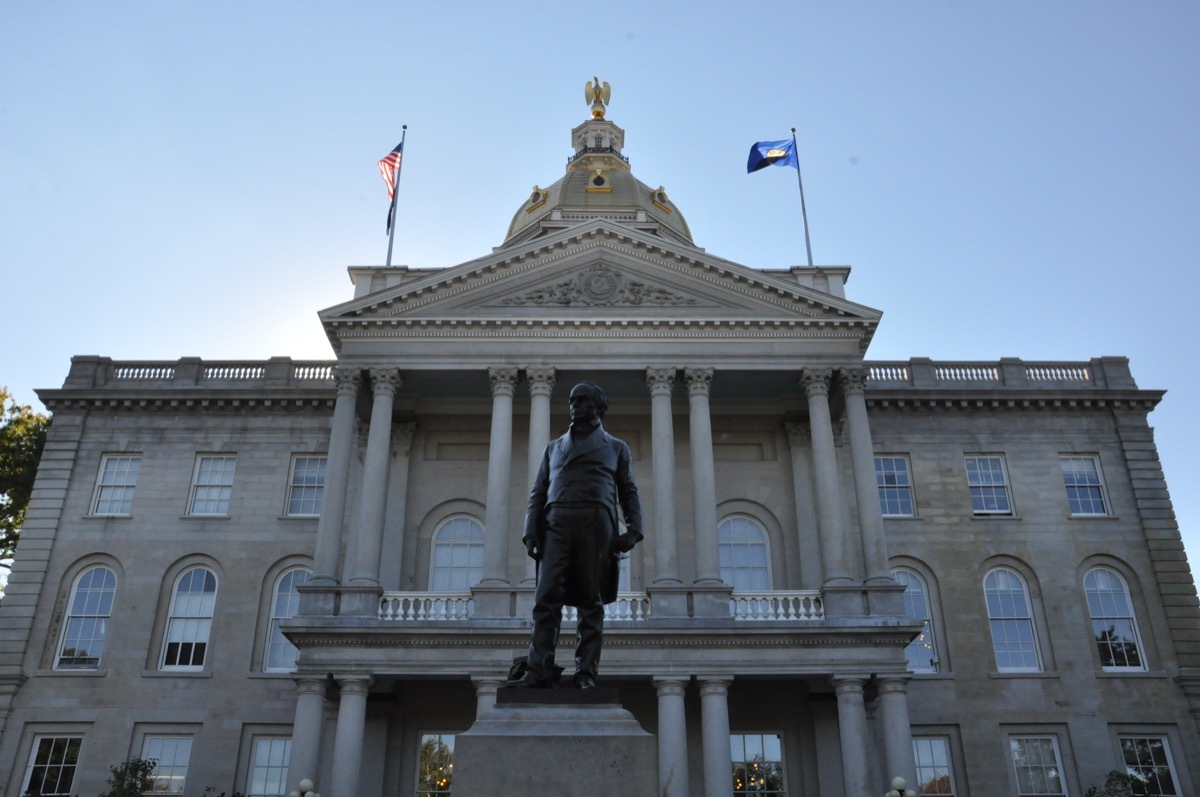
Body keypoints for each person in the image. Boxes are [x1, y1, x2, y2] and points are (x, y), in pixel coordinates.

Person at [511, 382, 643, 689]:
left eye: (582, 400)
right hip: (556, 525)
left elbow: (628, 492)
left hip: (595, 527)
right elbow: (538, 492)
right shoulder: (553, 448)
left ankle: (586, 672)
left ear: (598, 406)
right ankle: (538, 667)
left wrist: (634, 530)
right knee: (545, 599)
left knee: (590, 602)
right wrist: (530, 530)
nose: (575, 406)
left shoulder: (615, 447)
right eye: (572, 401)